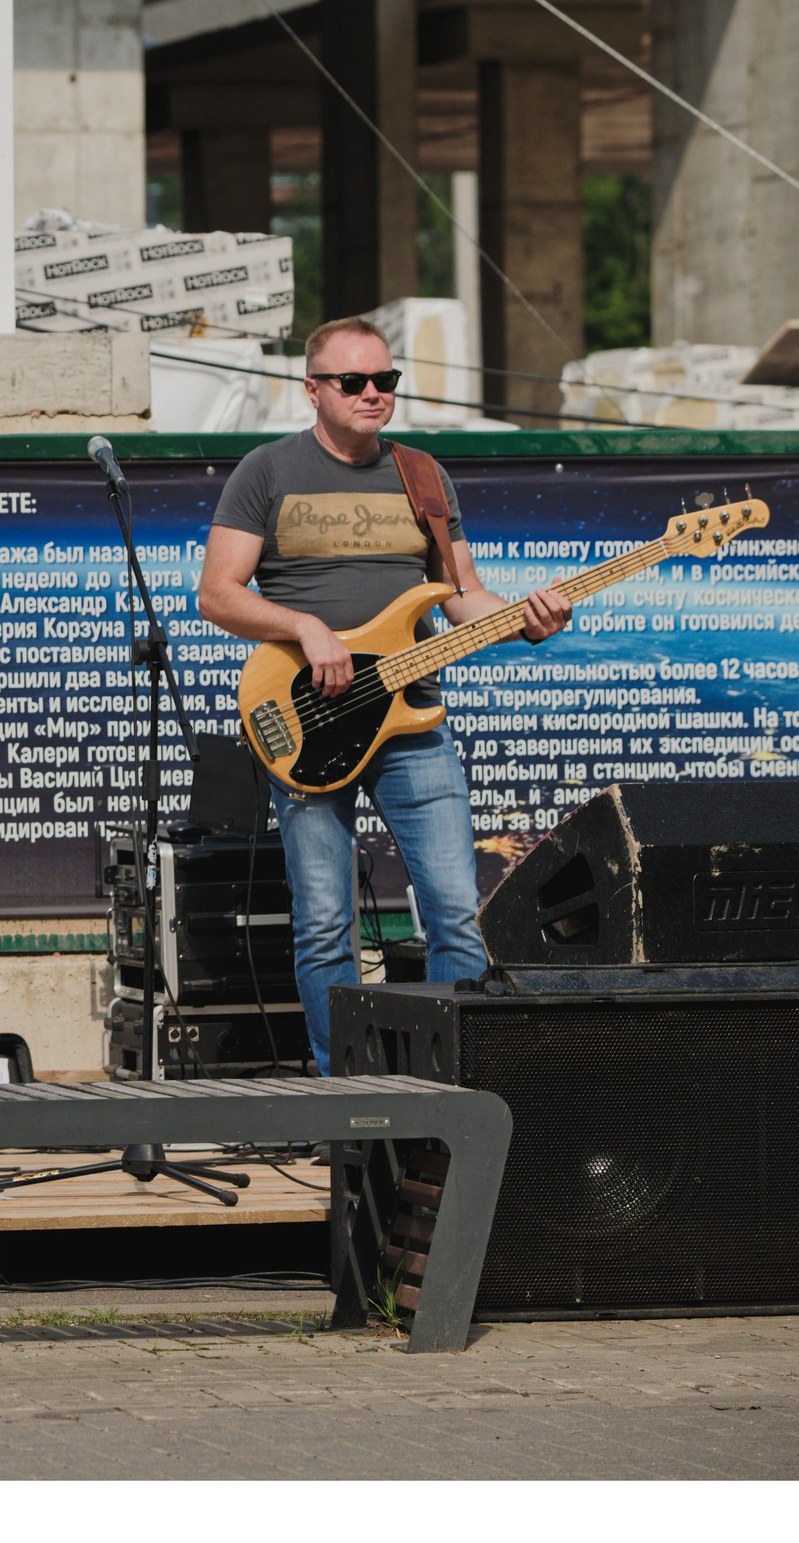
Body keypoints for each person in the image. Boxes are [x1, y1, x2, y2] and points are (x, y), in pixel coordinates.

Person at [197, 316, 572, 1074]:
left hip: (412, 719)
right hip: (308, 718)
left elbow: (460, 597)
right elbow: (217, 595)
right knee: (325, 923)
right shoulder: (267, 471)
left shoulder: (423, 475)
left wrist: (526, 623)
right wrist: (304, 627)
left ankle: (453, 1090)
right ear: (313, 389)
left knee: (456, 916)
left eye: (385, 381)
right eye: (353, 382)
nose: (373, 394)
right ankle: (345, 1096)